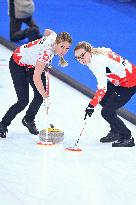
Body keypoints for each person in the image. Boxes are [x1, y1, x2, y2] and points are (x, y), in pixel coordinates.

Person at [0, 29, 72, 138]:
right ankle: (3, 124)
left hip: (33, 64)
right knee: (23, 101)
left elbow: (47, 31)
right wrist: (46, 97)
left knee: (39, 97)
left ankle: (28, 119)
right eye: (62, 47)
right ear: (56, 43)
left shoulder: (54, 37)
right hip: (18, 63)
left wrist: (37, 48)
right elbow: (36, 77)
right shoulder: (46, 53)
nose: (64, 51)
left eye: (67, 48)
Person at [74, 41, 136, 147]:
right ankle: (115, 131)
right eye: (78, 58)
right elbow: (109, 51)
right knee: (103, 100)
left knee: (106, 112)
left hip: (129, 83)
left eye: (82, 55)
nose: (81, 59)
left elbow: (102, 87)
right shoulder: (96, 52)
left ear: (88, 51)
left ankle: (127, 137)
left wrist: (91, 105)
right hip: (118, 81)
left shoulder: (97, 62)